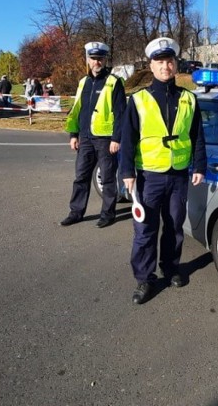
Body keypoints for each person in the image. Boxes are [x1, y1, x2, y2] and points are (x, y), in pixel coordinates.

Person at [120, 37, 207, 305]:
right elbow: (127, 138)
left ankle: (170, 268)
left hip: (179, 175)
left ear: (176, 64)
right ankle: (145, 278)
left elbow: (197, 135)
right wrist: (127, 172)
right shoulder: (138, 99)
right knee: (145, 229)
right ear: (151, 65)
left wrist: (199, 165)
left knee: (174, 226)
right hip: (148, 176)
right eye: (160, 62)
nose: (165, 66)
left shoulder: (189, 99)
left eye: (169, 61)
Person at [61, 42, 126, 229]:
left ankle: (108, 213)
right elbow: (77, 110)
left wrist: (116, 138)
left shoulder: (114, 82)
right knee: (80, 176)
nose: (96, 62)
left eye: (100, 58)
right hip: (85, 138)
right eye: (93, 58)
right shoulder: (84, 82)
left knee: (107, 178)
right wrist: (74, 134)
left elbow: (121, 113)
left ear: (105, 60)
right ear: (88, 60)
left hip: (105, 139)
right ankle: (76, 212)